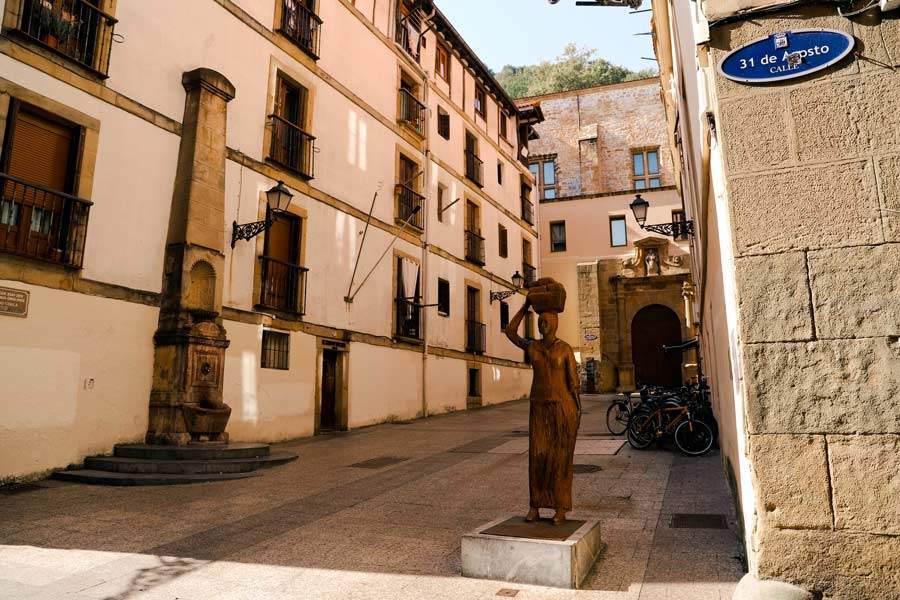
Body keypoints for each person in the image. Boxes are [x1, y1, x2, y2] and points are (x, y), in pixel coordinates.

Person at [505, 296, 582, 525]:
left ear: (555, 323)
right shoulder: (533, 347)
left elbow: (573, 383)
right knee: (537, 456)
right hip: (538, 407)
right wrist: (525, 307)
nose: (542, 325)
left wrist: (577, 413)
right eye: (540, 322)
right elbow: (510, 332)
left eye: (546, 322)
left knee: (560, 458)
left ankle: (560, 507)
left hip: (562, 407)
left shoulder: (565, 349)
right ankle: (535, 506)